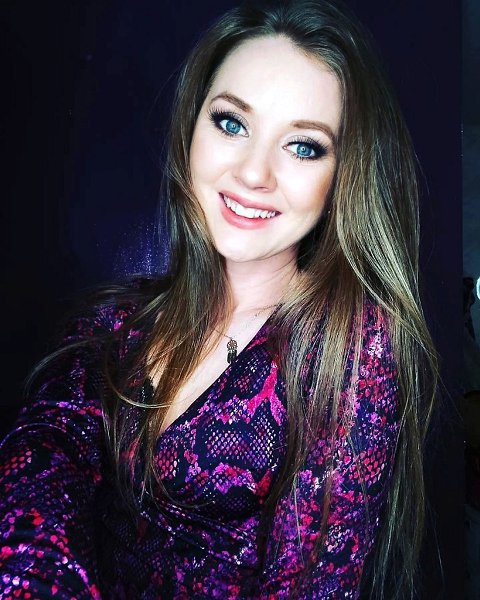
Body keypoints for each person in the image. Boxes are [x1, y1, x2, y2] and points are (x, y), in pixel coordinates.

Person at [0, 0, 438, 598]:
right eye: (231, 123)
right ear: (192, 128)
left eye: (303, 146)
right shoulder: (118, 320)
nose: (255, 174)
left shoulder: (350, 350)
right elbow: (48, 447)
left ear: (343, 176)